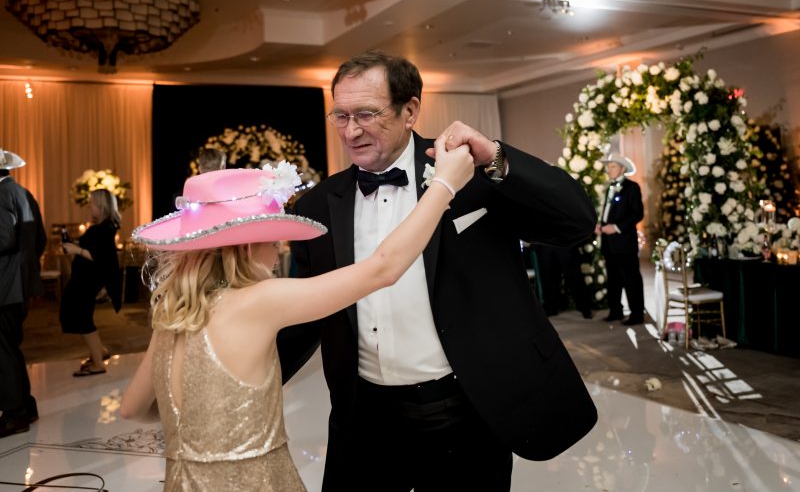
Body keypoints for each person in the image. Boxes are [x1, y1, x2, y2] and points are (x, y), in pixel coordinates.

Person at [278, 51, 599, 491]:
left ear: (410, 110)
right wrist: (237, 375)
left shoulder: (469, 175)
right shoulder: (318, 206)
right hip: (363, 418)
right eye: (341, 115)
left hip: (464, 409)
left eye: (367, 114)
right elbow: (307, 309)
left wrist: (498, 157)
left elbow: (577, 222)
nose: (351, 131)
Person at [119, 142, 474, 489]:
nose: (277, 255)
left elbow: (132, 408)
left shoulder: (174, 314)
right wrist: (444, 185)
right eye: (273, 242)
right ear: (245, 247)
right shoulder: (261, 301)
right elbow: (382, 270)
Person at [0, 149, 46, 438]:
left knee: (3, 350)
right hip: (20, 285)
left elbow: (4, 238)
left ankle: (15, 413)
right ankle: (25, 406)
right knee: (10, 347)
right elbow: (39, 240)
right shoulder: (22, 192)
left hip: (4, 285)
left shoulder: (3, 195)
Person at [60, 189, 122, 376]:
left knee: (83, 319)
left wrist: (76, 250)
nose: (89, 206)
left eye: (92, 203)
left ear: (101, 206)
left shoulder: (103, 229)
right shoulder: (105, 226)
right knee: (78, 316)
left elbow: (100, 256)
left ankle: (98, 363)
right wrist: (76, 248)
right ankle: (99, 352)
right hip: (85, 278)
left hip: (88, 280)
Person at [596, 152, 646, 325]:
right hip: (609, 243)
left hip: (624, 242)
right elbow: (607, 212)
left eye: (613, 166)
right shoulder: (609, 187)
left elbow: (637, 213)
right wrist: (600, 224)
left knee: (631, 279)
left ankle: (637, 314)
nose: (609, 170)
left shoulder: (632, 188)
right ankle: (615, 311)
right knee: (614, 280)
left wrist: (616, 227)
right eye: (608, 167)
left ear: (622, 169)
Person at [534, 243, 593, 319]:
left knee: (574, 276)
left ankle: (584, 307)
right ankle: (551, 307)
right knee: (548, 277)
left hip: (564, 242)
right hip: (544, 243)